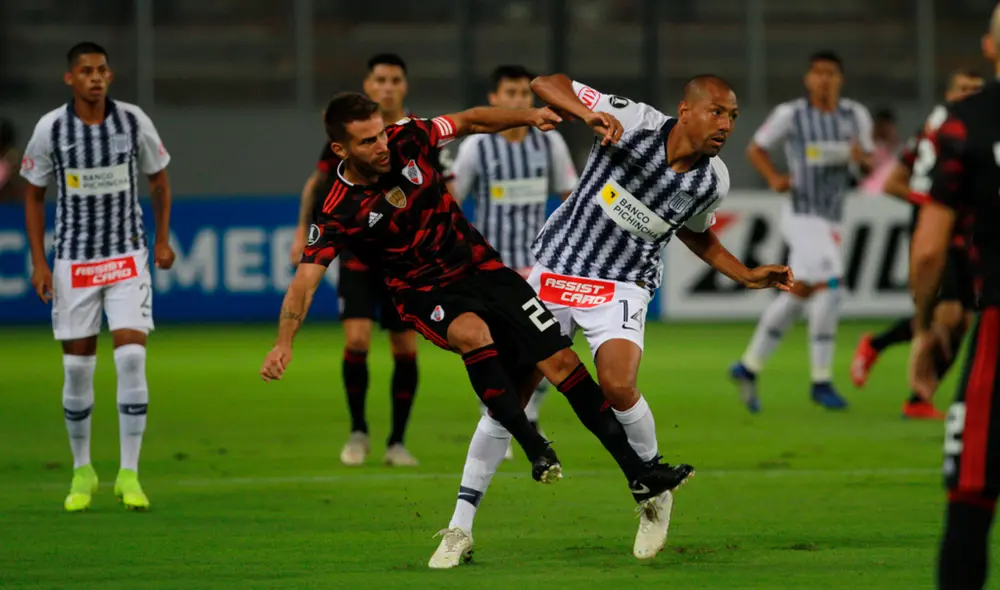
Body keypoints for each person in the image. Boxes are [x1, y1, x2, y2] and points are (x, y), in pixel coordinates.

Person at [259, 93, 693, 568]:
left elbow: (468, 120)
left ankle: (638, 474)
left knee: (562, 362)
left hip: (485, 271)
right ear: (341, 150)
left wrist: (528, 115)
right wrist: (284, 342)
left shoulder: (409, 137)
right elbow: (305, 280)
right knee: (473, 335)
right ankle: (533, 447)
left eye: (381, 132)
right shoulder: (338, 207)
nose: (381, 145)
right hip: (425, 293)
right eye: (367, 141)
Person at [428, 72, 793, 566]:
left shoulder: (714, 180)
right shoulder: (634, 119)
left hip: (620, 285)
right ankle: (459, 527)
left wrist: (747, 275)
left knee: (618, 385)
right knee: (506, 401)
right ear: (685, 111)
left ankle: (652, 492)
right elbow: (546, 82)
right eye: (717, 112)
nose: (726, 124)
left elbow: (696, 232)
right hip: (555, 273)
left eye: (732, 116)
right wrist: (587, 115)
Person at [20, 42, 174, 512]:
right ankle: (82, 468)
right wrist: (40, 262)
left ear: (110, 75)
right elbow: (33, 195)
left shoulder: (133, 121)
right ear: (70, 78)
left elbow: (160, 180)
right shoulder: (51, 128)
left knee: (131, 359)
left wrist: (162, 240)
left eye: (102, 70)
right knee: (77, 369)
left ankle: (130, 473)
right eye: (86, 71)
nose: (95, 77)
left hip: (127, 257)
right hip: (73, 262)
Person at [290, 54, 432, 468]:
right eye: (380, 80)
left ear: (404, 86)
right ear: (369, 86)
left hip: (403, 262)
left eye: (395, 80)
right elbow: (317, 185)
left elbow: (438, 189)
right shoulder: (350, 133)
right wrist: (303, 231)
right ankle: (358, 431)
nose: (387, 87)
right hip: (356, 258)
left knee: (405, 348)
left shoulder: (414, 134)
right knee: (356, 341)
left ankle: (397, 441)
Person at [908, 7, 1000, 587]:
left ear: (991, 48)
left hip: (998, 329)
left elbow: (926, 251)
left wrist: (923, 329)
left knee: (971, 491)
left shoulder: (965, 122)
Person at [730, 50, 874, 412]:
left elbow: (870, 160)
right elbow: (756, 148)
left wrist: (861, 159)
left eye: (831, 73)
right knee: (833, 284)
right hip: (800, 211)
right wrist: (775, 178)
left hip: (832, 217)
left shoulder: (855, 116)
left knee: (800, 291)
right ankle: (821, 380)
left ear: (840, 79)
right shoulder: (791, 114)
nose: (824, 79)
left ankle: (748, 366)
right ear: (808, 79)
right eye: (818, 73)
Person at [448, 64, 579, 460]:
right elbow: (453, 202)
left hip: (540, 264)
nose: (520, 100)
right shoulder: (476, 147)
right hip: (493, 267)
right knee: (498, 350)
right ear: (495, 99)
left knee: (549, 345)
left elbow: (570, 195)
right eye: (511, 93)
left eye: (525, 93)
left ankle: (530, 411)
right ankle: (498, 415)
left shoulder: (549, 144)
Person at [851, 68, 984, 420]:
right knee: (950, 315)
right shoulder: (936, 133)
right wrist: (936, 201)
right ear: (949, 92)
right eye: (963, 88)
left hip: (972, 237)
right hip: (940, 235)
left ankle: (887, 356)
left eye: (975, 88)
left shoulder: (982, 132)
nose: (969, 94)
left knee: (962, 321)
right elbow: (894, 182)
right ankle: (918, 394)